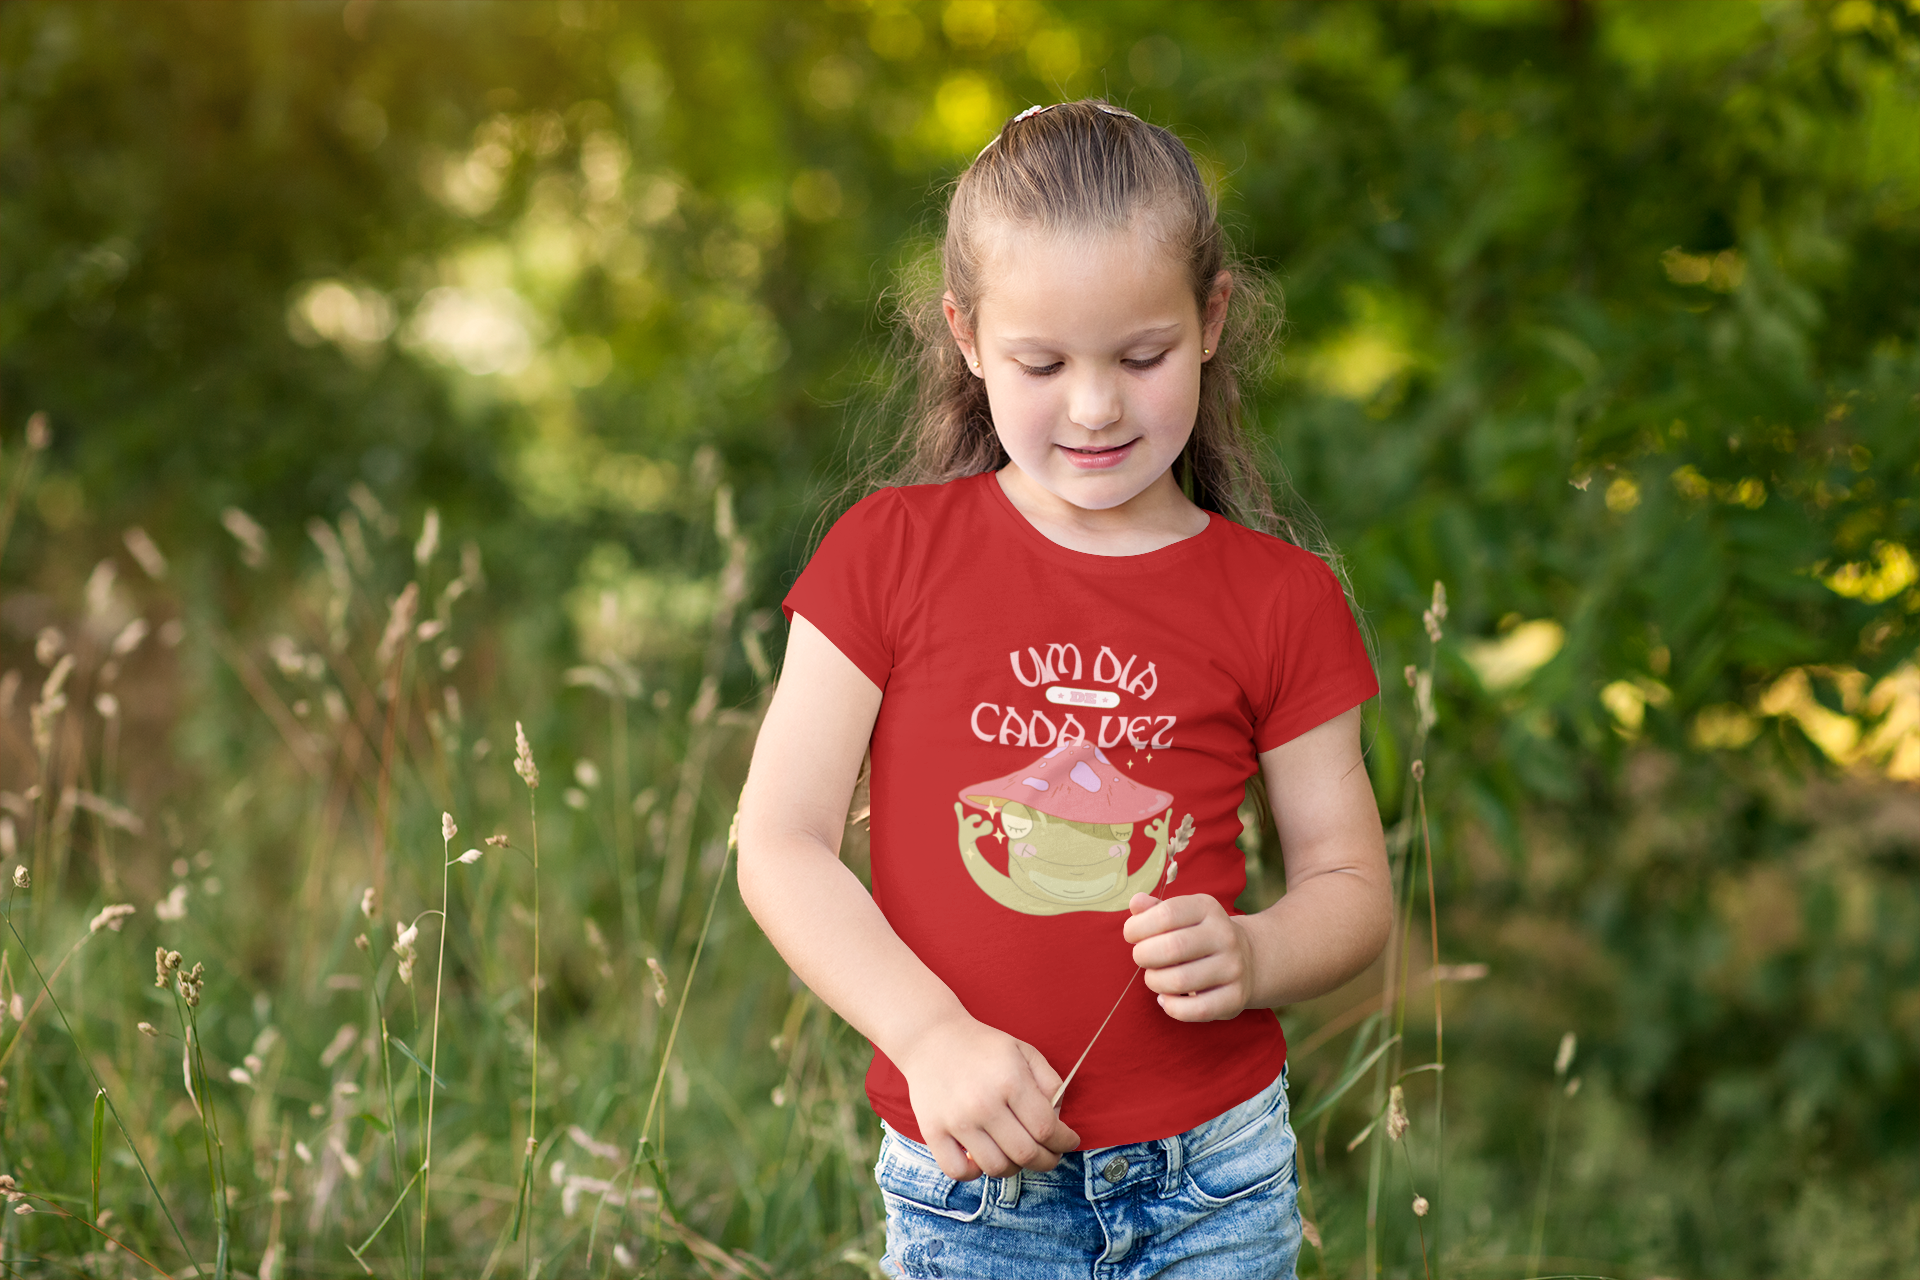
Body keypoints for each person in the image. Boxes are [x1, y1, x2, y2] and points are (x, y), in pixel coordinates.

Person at [737, 100, 1391, 1278]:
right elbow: (779, 842)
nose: (1095, 407)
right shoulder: (887, 555)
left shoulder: (1279, 597)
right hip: (973, 1182)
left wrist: (1254, 954)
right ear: (969, 338)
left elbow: (1350, 884)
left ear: (1211, 320)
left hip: (1216, 1177)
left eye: (1140, 357)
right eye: (1042, 363)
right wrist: (928, 1034)